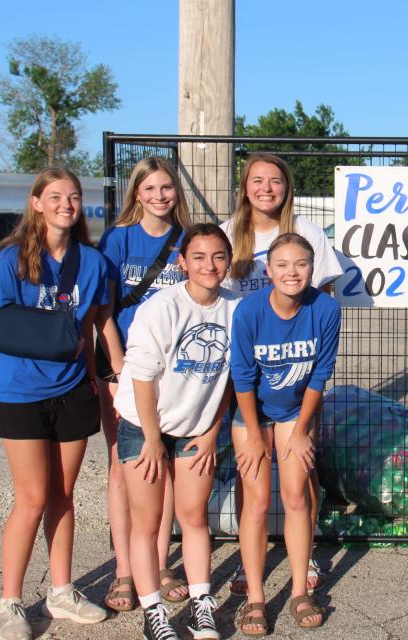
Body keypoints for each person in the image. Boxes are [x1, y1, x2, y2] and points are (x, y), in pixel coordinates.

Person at [0, 168, 109, 640]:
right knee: (32, 498)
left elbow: (96, 324)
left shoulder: (92, 263)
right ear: (36, 203)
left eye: (73, 196)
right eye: (55, 196)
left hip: (73, 389)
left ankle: (61, 590)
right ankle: (9, 602)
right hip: (20, 392)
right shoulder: (11, 260)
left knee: (63, 494)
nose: (66, 204)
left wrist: (101, 378)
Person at [221, 153, 342, 596]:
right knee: (249, 477)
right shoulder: (229, 229)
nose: (266, 188)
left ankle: (302, 557)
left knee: (299, 478)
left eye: (275, 180)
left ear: (287, 186)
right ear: (245, 186)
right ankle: (244, 566)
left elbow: (323, 294)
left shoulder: (307, 233)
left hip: (293, 368)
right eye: (257, 180)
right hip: (242, 364)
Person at [113, 224, 238, 640]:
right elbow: (143, 379)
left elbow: (232, 381)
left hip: (195, 427)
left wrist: (212, 430)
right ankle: (154, 611)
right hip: (143, 423)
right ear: (182, 261)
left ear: (229, 261)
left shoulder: (236, 310)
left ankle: (202, 602)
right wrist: (151, 438)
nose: (209, 265)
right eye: (199, 257)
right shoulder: (162, 307)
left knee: (192, 516)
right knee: (148, 523)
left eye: (218, 256)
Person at [95, 157, 192, 611]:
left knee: (165, 466)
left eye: (167, 187)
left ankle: (160, 564)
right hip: (128, 369)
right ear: (137, 193)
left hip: (179, 372)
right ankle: (124, 571)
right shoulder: (118, 240)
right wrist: (116, 372)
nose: (159, 196)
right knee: (123, 468)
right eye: (150, 188)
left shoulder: (187, 240)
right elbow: (103, 311)